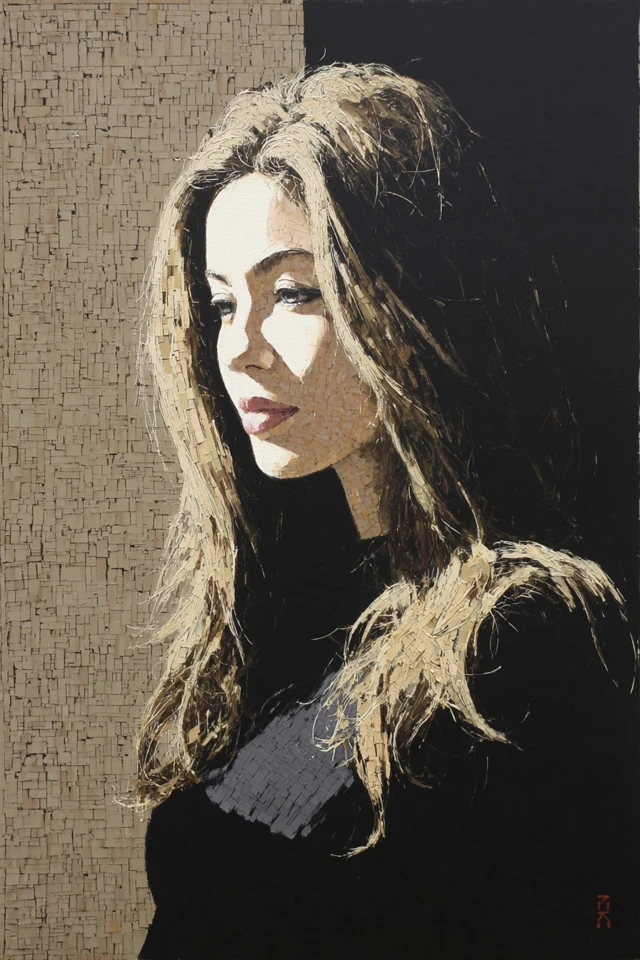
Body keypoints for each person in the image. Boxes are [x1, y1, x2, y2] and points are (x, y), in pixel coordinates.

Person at [126, 63, 639, 959]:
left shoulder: (522, 631)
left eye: (293, 292)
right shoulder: (269, 614)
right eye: (221, 303)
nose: (239, 347)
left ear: (407, 297)